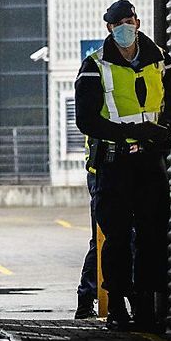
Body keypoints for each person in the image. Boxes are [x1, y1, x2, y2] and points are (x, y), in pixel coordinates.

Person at [74, 0, 171, 332]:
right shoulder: (95, 65)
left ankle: (147, 304)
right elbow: (86, 120)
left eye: (130, 20)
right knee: (116, 236)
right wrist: (129, 133)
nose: (126, 26)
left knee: (152, 235)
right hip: (113, 162)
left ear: (137, 22)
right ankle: (118, 304)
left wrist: (162, 130)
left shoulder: (160, 60)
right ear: (109, 28)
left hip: (150, 161)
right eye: (119, 23)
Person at [73, 137, 99, 319]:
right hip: (104, 176)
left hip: (108, 174)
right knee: (103, 242)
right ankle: (86, 299)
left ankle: (86, 299)